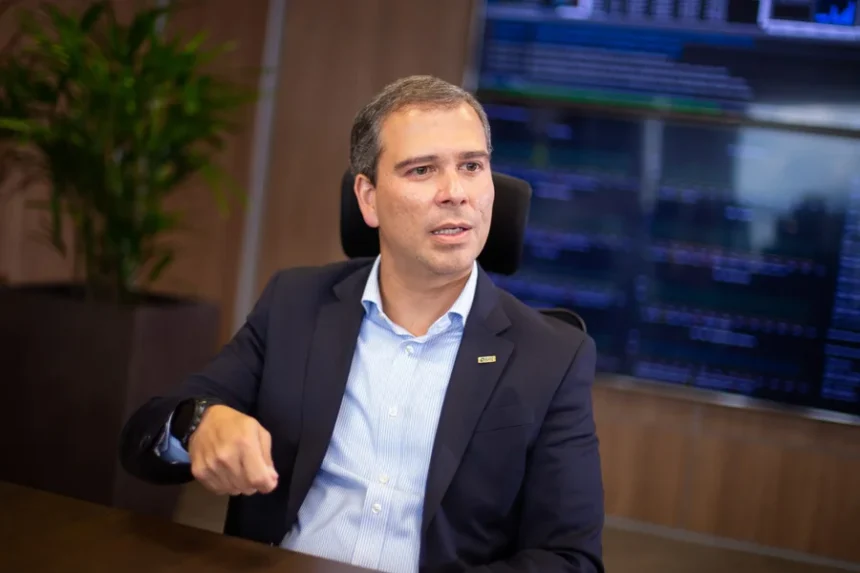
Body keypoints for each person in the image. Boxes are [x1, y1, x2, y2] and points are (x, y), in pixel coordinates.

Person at [119, 75, 604, 572]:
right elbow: (144, 435)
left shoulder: (552, 356)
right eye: (422, 170)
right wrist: (200, 423)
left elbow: (570, 560)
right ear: (368, 198)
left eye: (472, 166)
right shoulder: (296, 304)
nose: (455, 192)